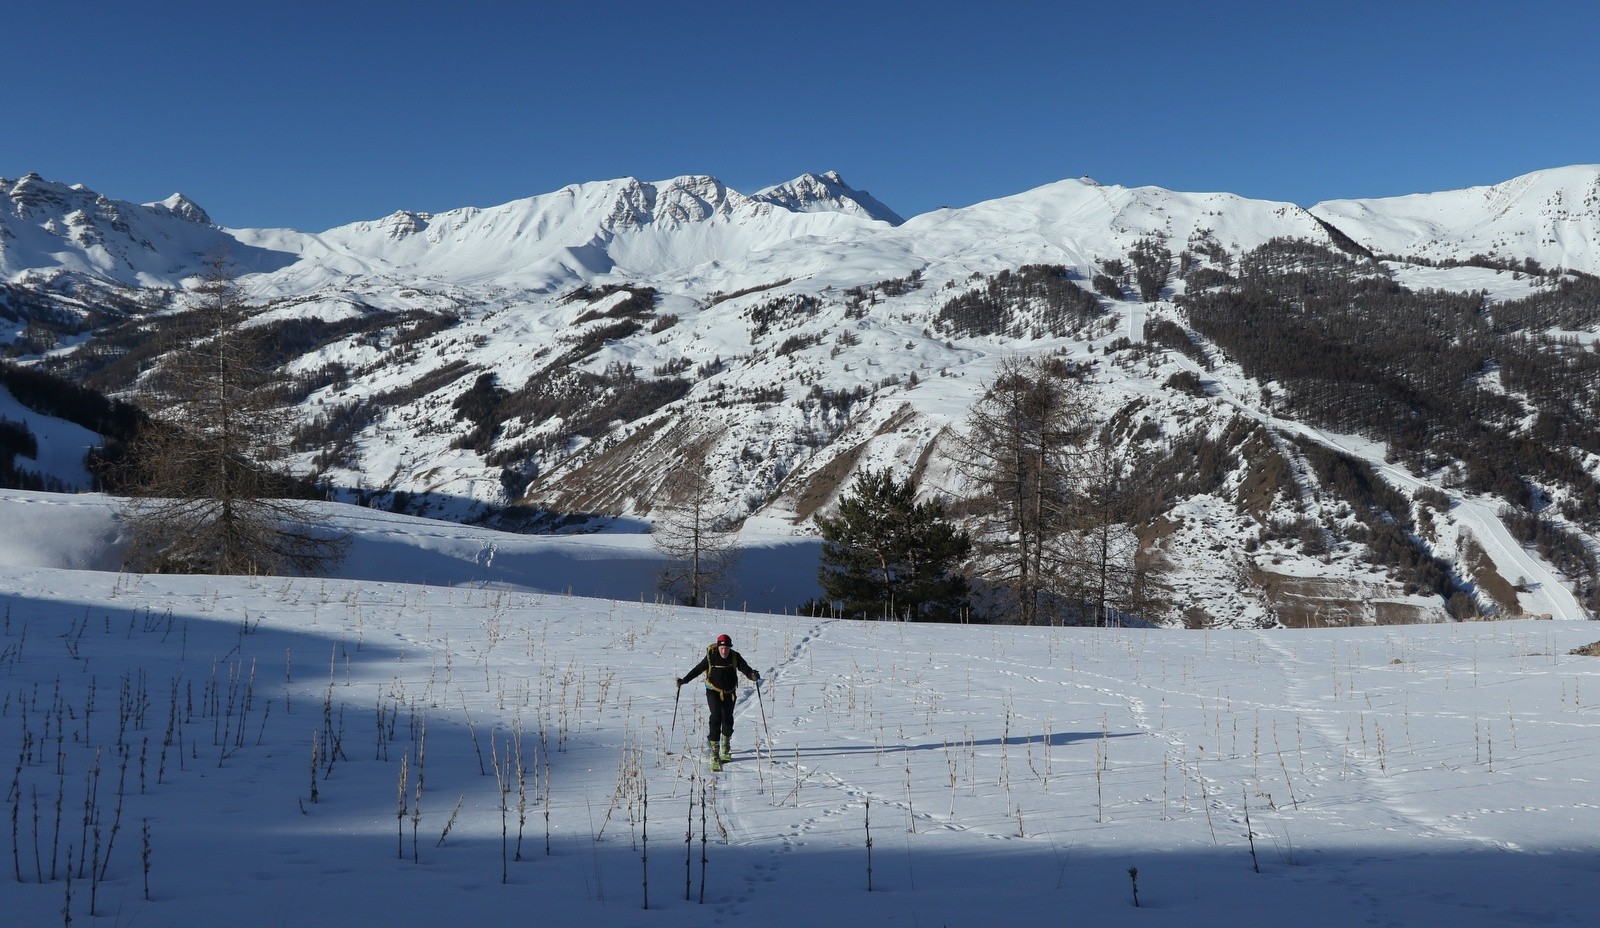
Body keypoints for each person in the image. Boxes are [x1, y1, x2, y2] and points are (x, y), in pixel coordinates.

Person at [676, 633, 760, 770]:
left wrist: (752, 675)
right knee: (716, 716)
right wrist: (684, 680)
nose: (724, 651)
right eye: (722, 648)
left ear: (730, 648)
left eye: (726, 648)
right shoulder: (711, 656)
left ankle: (725, 746)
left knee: (727, 718)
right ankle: (715, 751)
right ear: (718, 647)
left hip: (729, 692)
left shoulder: (734, 656)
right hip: (713, 690)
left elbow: (745, 668)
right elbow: (698, 669)